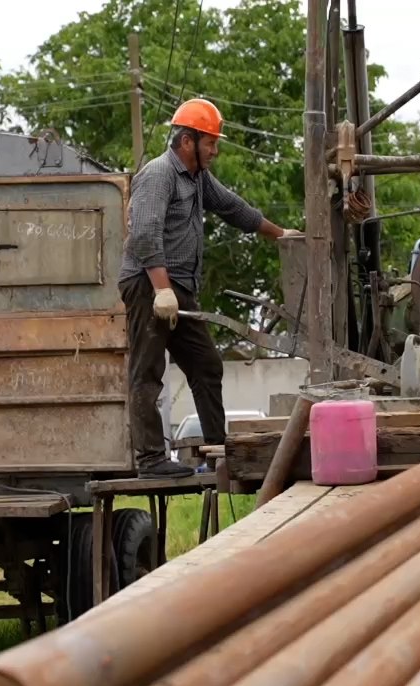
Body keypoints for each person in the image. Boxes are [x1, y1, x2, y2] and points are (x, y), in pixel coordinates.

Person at [119, 98, 300, 479]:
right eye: (211, 143)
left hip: (177, 287)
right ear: (187, 141)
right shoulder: (159, 175)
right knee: (147, 369)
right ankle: (150, 459)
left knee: (207, 366)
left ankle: (220, 454)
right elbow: (145, 234)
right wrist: (161, 290)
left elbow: (234, 208)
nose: (215, 151)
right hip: (148, 283)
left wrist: (280, 235)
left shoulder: (197, 178)